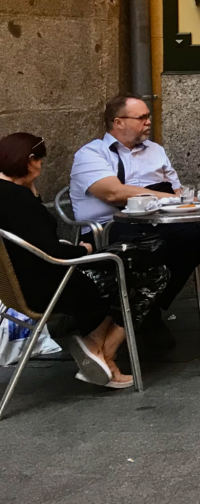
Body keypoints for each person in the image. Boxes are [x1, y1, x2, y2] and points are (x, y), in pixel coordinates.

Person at [0, 133, 131, 389]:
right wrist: (84, 250)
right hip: (48, 287)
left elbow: (36, 237)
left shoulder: (8, 194)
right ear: (29, 161)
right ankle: (101, 351)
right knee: (128, 267)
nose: (40, 169)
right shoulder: (17, 199)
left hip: (16, 289)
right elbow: (53, 252)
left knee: (113, 266)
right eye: (40, 163)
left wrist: (32, 191)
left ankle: (96, 351)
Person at [70, 94, 200, 350]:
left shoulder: (155, 151)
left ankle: (149, 309)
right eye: (142, 117)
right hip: (107, 231)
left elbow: (177, 193)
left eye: (148, 116)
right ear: (118, 122)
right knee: (150, 246)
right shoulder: (91, 154)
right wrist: (162, 195)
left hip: (156, 223)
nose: (148, 122)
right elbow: (112, 193)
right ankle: (141, 316)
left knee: (194, 236)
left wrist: (185, 198)